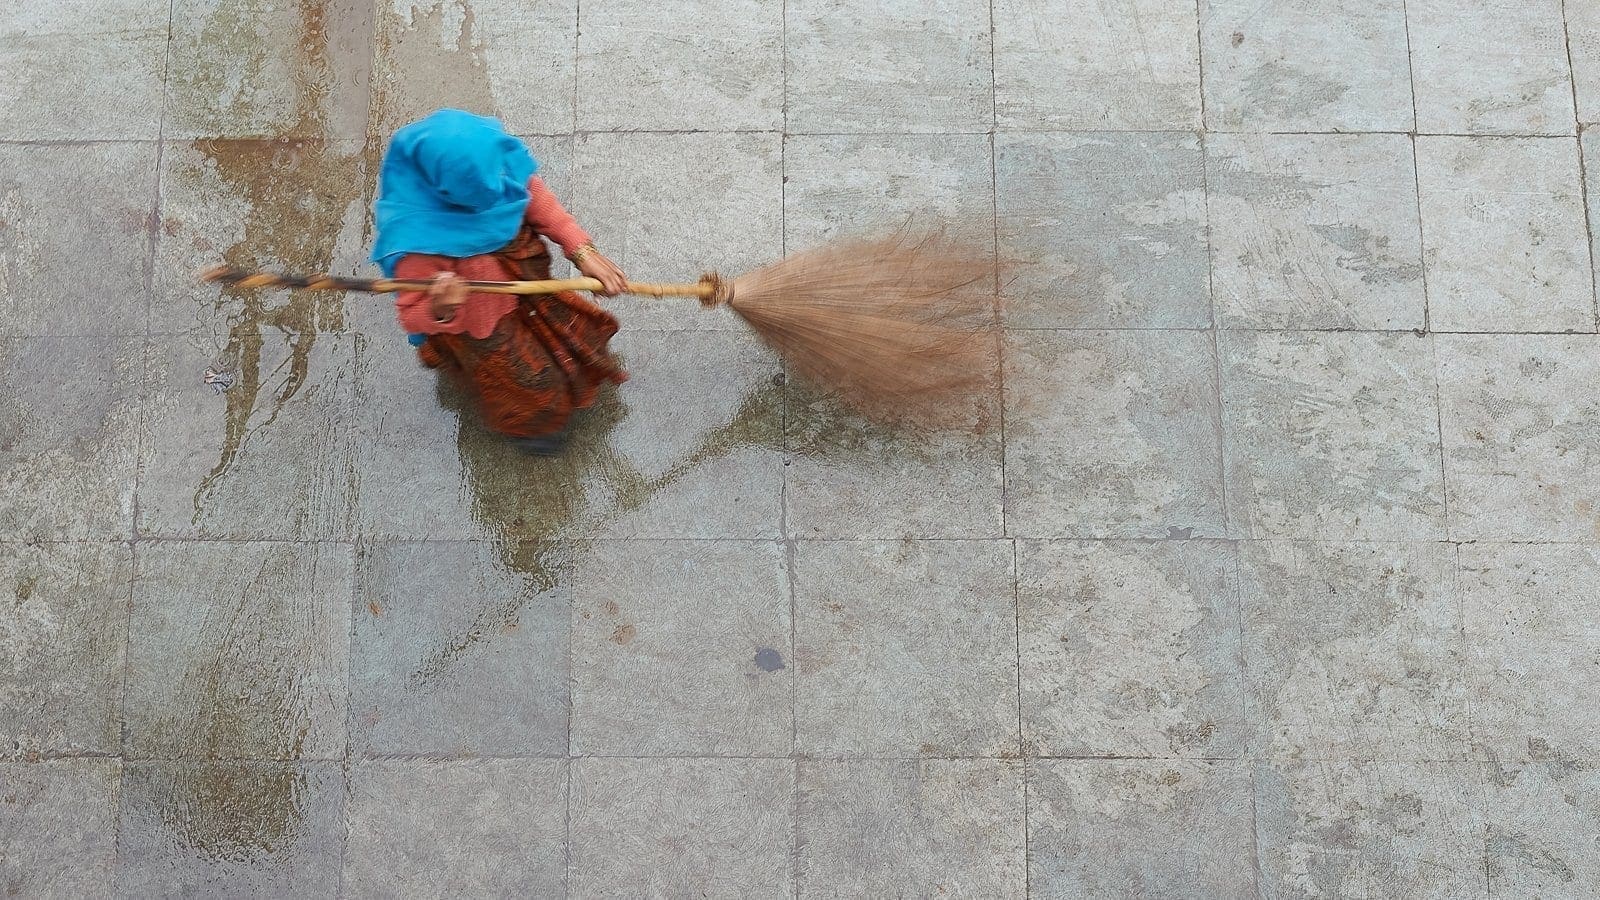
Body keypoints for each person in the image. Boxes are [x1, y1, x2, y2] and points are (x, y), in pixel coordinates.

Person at [371, 108, 628, 454]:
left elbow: (533, 195)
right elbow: (412, 315)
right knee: (529, 383)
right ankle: (532, 428)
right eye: (482, 194)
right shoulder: (415, 242)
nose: (501, 191)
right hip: (486, 327)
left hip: (531, 289)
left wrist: (582, 251)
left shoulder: (496, 165)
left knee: (574, 338)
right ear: (446, 191)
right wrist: (440, 306)